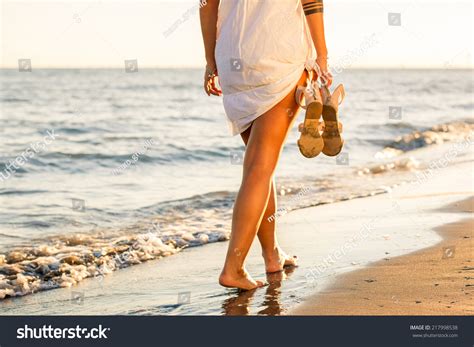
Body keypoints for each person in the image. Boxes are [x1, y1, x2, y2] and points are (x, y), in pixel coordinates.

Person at [200, 0, 334, 290]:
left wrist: (212, 62)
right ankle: (233, 268)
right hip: (277, 52)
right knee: (260, 168)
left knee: (258, 167)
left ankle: (271, 254)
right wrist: (322, 57)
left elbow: (206, 4)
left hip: (232, 57)